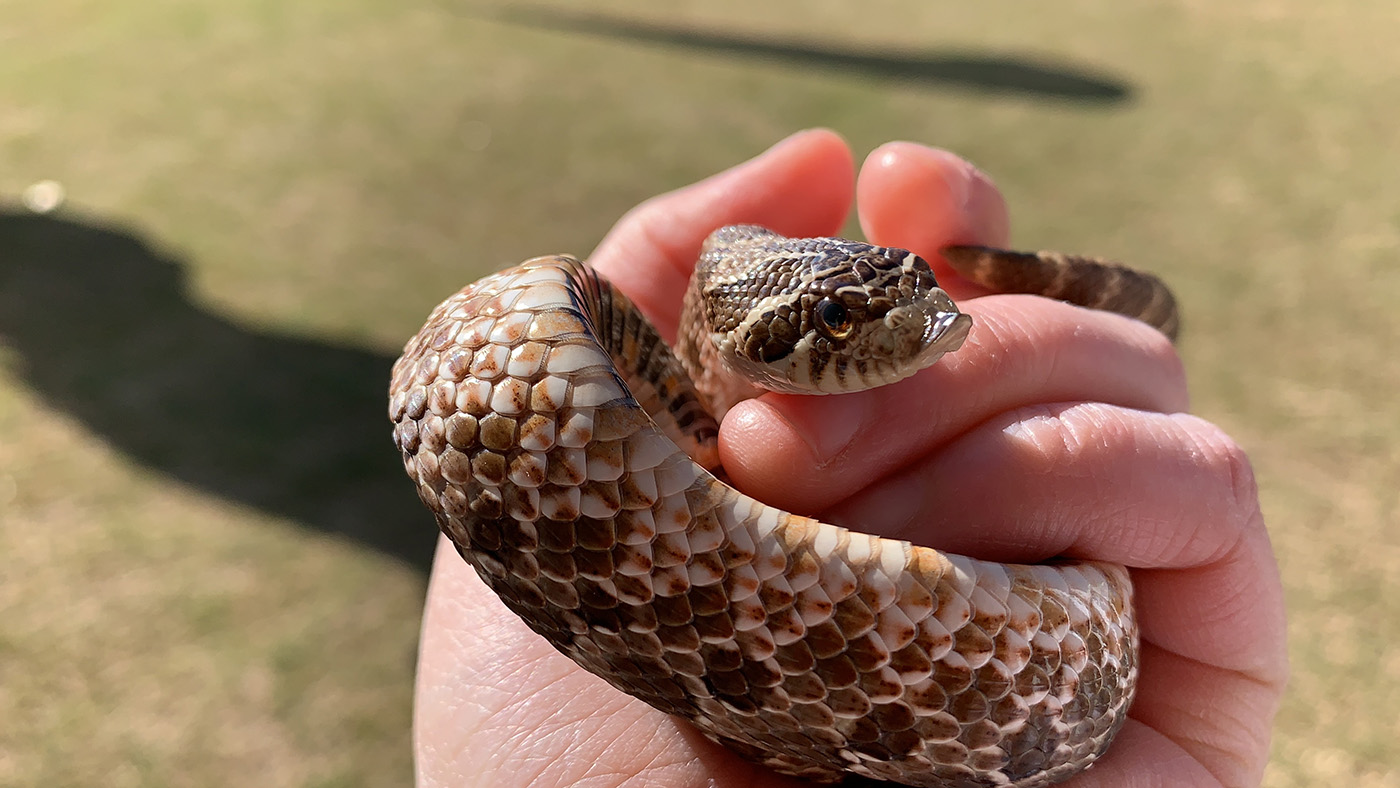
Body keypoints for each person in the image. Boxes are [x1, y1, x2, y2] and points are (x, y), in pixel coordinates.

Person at [411, 130, 1287, 787]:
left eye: (917, 292)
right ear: (745, 335)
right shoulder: (631, 376)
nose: (921, 330)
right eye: (836, 324)